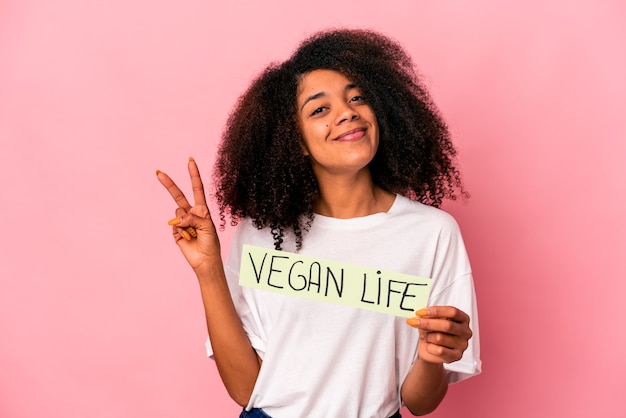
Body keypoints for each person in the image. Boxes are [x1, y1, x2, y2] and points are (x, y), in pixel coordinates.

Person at [157, 29, 480, 418]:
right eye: (319, 109)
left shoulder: (432, 234)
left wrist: (432, 356)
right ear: (295, 141)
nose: (347, 112)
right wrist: (209, 271)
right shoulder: (263, 234)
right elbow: (245, 389)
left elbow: (419, 402)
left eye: (357, 96)